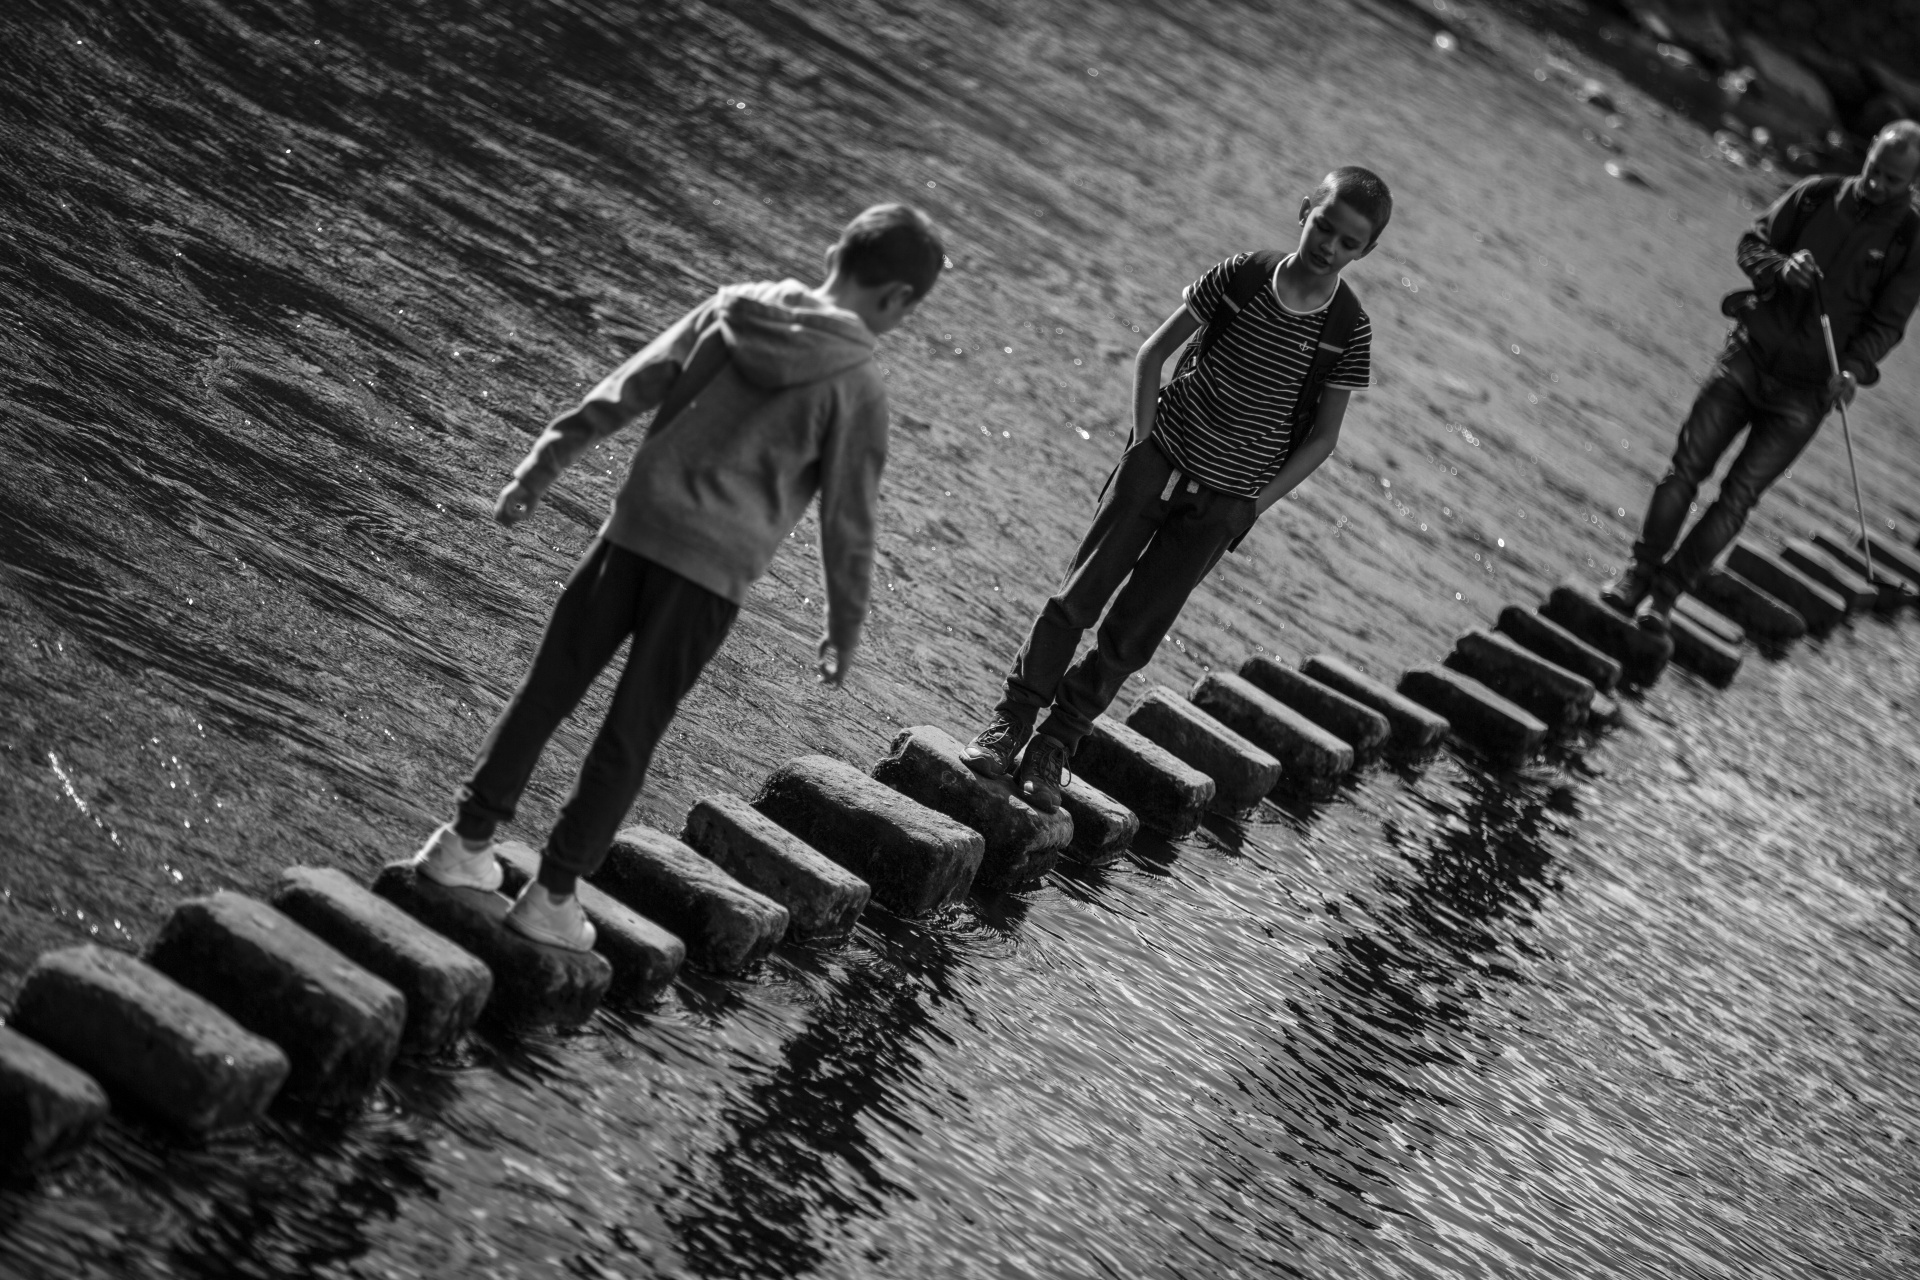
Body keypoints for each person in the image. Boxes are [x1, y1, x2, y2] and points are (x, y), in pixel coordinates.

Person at [410, 204, 944, 950]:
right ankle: (553, 895)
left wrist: (544, 461)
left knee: (546, 693)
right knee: (629, 736)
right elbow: (848, 525)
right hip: (707, 579)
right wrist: (843, 626)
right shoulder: (857, 390)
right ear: (897, 302)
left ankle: (461, 845)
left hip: (629, 534)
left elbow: (628, 385)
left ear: (834, 254)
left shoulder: (734, 308)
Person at [960, 167, 1388, 811]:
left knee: (1133, 634)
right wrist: (1141, 447)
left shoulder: (1347, 329)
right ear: (1304, 210)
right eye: (1323, 225)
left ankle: (1055, 746)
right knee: (1076, 600)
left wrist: (1251, 505)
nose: (1330, 244)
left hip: (1223, 505)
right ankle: (1009, 724)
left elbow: (1323, 439)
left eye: (1348, 241)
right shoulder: (1243, 275)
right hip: (1159, 462)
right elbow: (1153, 353)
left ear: (1366, 251)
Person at [1604, 120, 1920, 630]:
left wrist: (1855, 371)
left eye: (1892, 180)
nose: (1876, 185)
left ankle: (1664, 599)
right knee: (1684, 471)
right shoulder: (1817, 195)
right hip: (1748, 357)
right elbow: (1752, 243)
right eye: (1873, 170)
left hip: (1807, 394)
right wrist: (1780, 268)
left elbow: (1887, 324)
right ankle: (1635, 577)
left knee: (1737, 500)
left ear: (1913, 184)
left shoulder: (1910, 241)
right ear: (1867, 158)